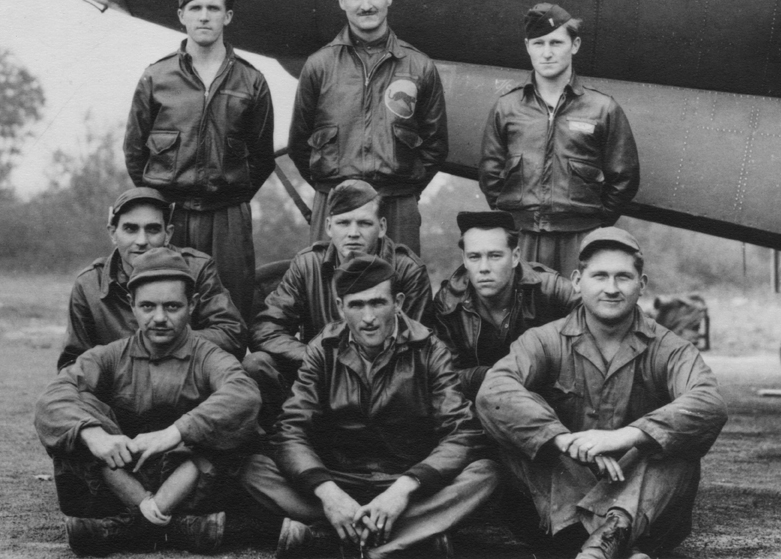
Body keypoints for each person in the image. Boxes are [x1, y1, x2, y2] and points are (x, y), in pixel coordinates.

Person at [476, 228, 727, 559]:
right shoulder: (544, 340)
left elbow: (709, 402)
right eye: (600, 276)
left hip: (641, 496)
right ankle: (622, 545)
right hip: (559, 506)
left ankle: (607, 540)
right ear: (578, 282)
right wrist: (563, 440)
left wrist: (626, 437)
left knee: (679, 442)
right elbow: (493, 391)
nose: (611, 288)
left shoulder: (669, 348)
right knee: (519, 426)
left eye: (623, 277)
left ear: (642, 284)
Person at [240, 255, 500, 558]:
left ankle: (331, 540)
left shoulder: (430, 349)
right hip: (339, 477)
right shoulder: (323, 349)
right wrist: (328, 493)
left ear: (398, 302)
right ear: (339, 306)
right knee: (254, 469)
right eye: (356, 305)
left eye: (378, 303)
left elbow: (460, 432)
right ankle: (414, 538)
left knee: (486, 473)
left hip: (406, 481)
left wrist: (404, 488)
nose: (368, 318)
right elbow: (291, 429)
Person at [35, 249, 262, 556]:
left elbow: (243, 393)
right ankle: (172, 524)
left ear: (192, 305)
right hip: (120, 481)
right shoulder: (111, 355)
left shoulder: (209, 355)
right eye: (147, 306)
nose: (159, 318)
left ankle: (130, 528)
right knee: (79, 407)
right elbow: (53, 397)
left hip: (191, 485)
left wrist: (176, 432)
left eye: (172, 307)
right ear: (132, 307)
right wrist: (94, 434)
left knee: (232, 418)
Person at [125, 0, 275, 320]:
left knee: (230, 310)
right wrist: (158, 204)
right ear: (181, 16)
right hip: (172, 214)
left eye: (213, 8)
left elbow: (262, 158)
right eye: (195, 8)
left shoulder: (251, 81)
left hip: (228, 218)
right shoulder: (156, 78)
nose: (204, 16)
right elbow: (135, 153)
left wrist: (230, 196)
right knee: (167, 307)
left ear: (228, 16)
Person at [243, 179, 432, 428]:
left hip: (383, 382)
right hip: (318, 376)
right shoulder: (307, 264)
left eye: (364, 223)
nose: (353, 233)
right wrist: (315, 358)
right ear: (329, 227)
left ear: (382, 226)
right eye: (343, 223)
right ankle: (284, 438)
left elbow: (415, 345)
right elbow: (266, 329)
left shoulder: (408, 269)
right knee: (257, 364)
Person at [288, 0, 447, 253]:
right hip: (336, 205)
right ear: (341, 1)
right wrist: (335, 192)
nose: (366, 5)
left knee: (402, 287)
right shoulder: (319, 66)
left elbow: (435, 146)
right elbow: (299, 144)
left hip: (396, 204)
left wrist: (403, 190)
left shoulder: (419, 66)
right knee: (330, 291)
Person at [478, 3, 640, 277]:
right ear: (528, 47)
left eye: (556, 42)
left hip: (580, 236)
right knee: (525, 314)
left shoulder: (603, 108)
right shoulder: (507, 108)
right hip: (523, 236)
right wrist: (515, 219)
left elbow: (624, 177)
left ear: (575, 45)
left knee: (577, 312)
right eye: (539, 43)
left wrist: (594, 222)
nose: (547, 53)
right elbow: (490, 174)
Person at [58, 186, 247, 371]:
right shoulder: (89, 283)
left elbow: (231, 335)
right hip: (120, 389)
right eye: (131, 229)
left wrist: (167, 342)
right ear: (113, 233)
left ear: (168, 234)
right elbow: (72, 362)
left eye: (153, 229)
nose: (141, 241)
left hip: (186, 380)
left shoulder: (198, 269)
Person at [432, 210, 578, 399]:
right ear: (464, 259)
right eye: (475, 257)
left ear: (515, 256)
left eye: (494, 256)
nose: (484, 268)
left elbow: (595, 318)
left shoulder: (550, 288)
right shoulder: (448, 303)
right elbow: (445, 377)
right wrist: (494, 377)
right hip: (480, 401)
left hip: (547, 398)